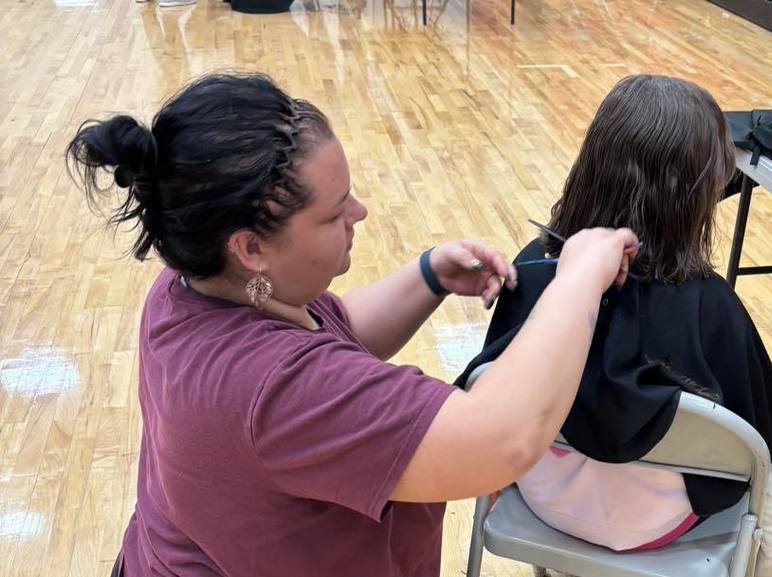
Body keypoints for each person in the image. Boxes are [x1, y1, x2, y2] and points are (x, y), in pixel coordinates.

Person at [66, 72, 639, 577]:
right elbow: (500, 439)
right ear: (251, 248)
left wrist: (428, 276)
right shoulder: (275, 389)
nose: (359, 212)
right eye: (335, 210)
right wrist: (580, 277)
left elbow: (332, 334)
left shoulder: (191, 283)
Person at [456, 75, 772, 576]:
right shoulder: (713, 305)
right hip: (655, 524)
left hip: (542, 498)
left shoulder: (533, 268)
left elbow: (496, 394)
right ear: (700, 195)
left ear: (590, 166)